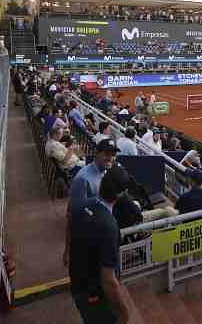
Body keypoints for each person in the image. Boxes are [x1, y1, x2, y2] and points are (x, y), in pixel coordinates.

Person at [69, 166, 131, 324]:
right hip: (93, 294)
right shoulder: (109, 226)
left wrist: (65, 251)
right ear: (121, 193)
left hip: (77, 282)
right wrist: (124, 313)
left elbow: (69, 221)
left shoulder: (85, 204)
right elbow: (108, 280)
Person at [64, 139, 119, 266]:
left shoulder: (106, 172)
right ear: (97, 154)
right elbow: (72, 216)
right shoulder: (82, 179)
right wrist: (68, 251)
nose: (111, 158)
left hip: (102, 233)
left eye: (113, 154)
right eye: (107, 154)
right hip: (89, 240)